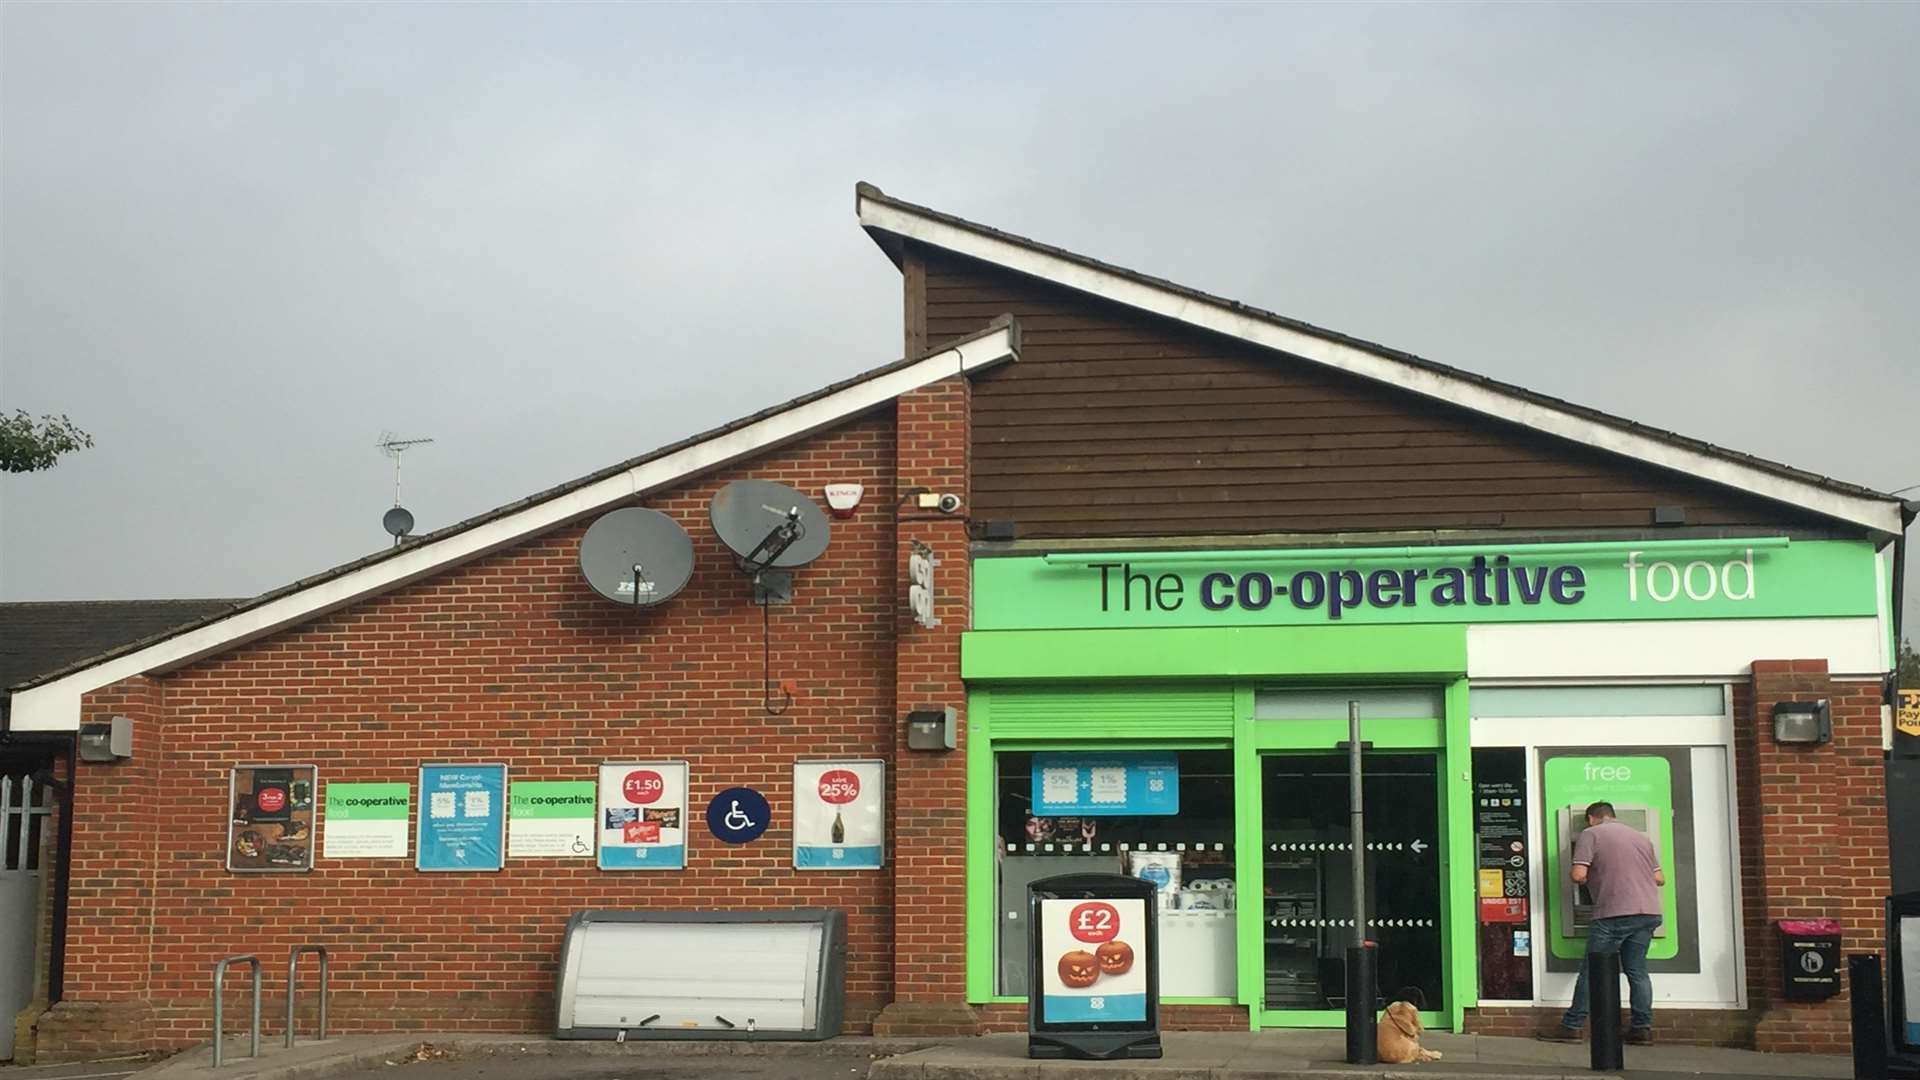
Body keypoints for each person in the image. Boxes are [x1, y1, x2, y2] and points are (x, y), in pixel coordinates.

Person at [1539, 801, 1664, 1045]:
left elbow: (1578, 875)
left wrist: (1596, 879)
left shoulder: (1590, 834)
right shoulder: (1641, 838)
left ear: (1591, 818)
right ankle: (1641, 1028)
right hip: (1648, 913)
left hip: (1614, 913)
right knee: (1637, 971)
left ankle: (1572, 1025)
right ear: (1613, 816)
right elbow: (1659, 878)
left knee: (1592, 970)